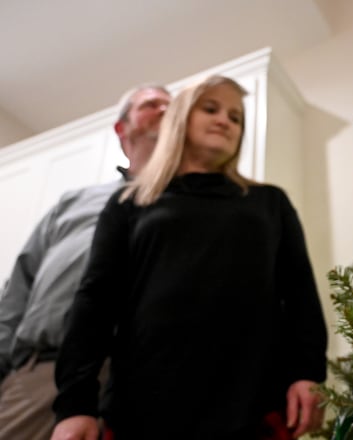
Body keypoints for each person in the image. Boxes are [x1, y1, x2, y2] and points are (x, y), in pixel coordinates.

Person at [51, 75, 328, 440]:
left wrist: (308, 372)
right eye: (210, 109)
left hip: (254, 405)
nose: (224, 121)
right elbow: (95, 300)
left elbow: (299, 292)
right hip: (143, 409)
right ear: (180, 119)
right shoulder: (129, 204)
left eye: (235, 117)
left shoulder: (269, 202)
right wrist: (75, 405)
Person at [0, 84, 171, 440]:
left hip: (156, 387)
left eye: (173, 106)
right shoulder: (75, 202)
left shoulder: (205, 208)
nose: (166, 109)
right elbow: (18, 291)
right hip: (42, 380)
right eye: (152, 104)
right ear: (122, 129)